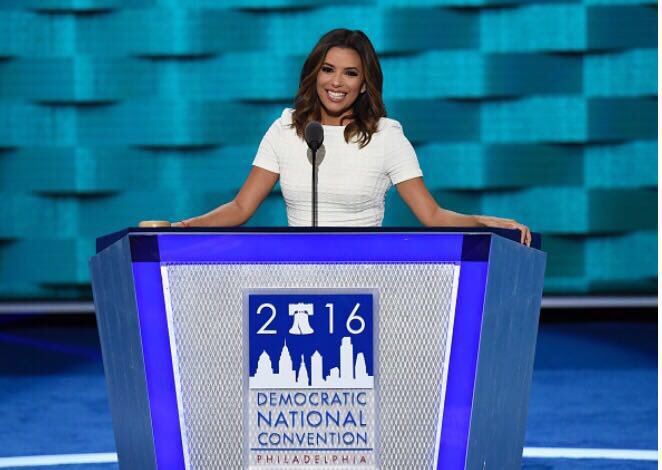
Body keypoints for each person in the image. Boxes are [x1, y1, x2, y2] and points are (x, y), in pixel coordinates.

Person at [173, 29, 532, 246]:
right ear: (315, 74)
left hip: (363, 275)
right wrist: (185, 227)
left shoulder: (386, 136)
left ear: (363, 85)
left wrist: (482, 221)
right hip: (297, 276)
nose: (336, 82)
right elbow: (240, 209)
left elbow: (432, 214)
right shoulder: (285, 130)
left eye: (350, 73)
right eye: (328, 70)